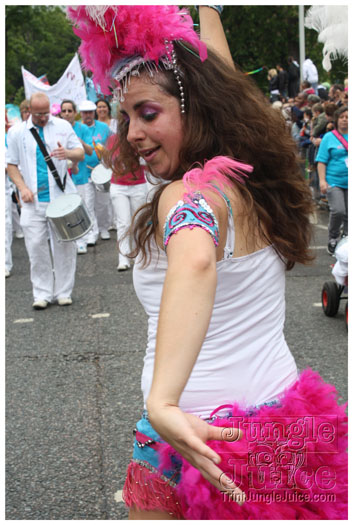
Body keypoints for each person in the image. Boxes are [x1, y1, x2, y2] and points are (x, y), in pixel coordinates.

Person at [68, 5, 347, 520]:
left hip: (193, 434)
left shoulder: (187, 194)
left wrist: (162, 404)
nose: (131, 133)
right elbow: (221, 74)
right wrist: (210, 10)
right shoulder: (246, 174)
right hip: (283, 419)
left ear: (198, 110)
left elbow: (195, 260)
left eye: (148, 114)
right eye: (125, 116)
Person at [6, 92, 84, 309]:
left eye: (46, 113)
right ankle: (41, 293)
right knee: (35, 247)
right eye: (39, 114)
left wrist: (67, 152)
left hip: (61, 198)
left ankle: (64, 291)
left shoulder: (62, 126)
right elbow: (10, 164)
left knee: (65, 245)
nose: (43, 117)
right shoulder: (16, 133)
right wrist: (22, 188)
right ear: (29, 111)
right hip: (33, 201)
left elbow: (80, 154)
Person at [60, 99, 95, 254]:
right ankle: (74, 240)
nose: (67, 114)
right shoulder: (56, 130)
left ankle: (86, 238)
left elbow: (89, 151)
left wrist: (79, 142)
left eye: (69, 111)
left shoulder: (82, 129)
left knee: (83, 207)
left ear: (74, 113)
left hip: (80, 175)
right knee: (67, 210)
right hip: (62, 178)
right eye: (64, 111)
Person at [78, 99, 112, 243]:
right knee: (88, 202)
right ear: (81, 113)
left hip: (101, 170)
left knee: (103, 202)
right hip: (83, 170)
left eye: (90, 112)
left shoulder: (104, 127)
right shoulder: (77, 128)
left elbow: (112, 145)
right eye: (85, 113)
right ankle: (93, 232)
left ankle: (104, 227)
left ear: (94, 113)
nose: (87, 115)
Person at [316, 106, 348, 254]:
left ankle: (347, 238)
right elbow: (321, 161)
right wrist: (322, 181)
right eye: (342, 117)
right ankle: (333, 237)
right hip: (334, 181)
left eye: (347, 117)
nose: (345, 120)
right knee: (338, 210)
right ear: (337, 119)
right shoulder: (329, 137)